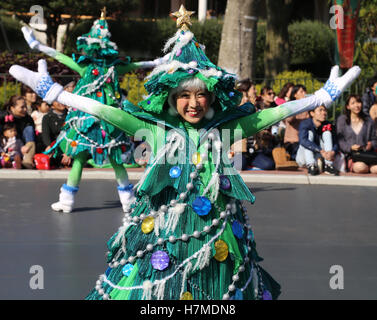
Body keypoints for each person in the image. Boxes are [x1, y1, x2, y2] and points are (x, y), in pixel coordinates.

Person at [10, 4, 360, 300]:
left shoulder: (222, 129)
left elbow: (269, 114)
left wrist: (319, 97)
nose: (193, 104)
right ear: (171, 98)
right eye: (183, 95)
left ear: (210, 96)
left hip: (216, 231)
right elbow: (108, 112)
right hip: (165, 232)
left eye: (200, 95)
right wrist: (56, 93)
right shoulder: (156, 129)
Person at [22, 10, 165, 213]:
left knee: (80, 159)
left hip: (87, 120)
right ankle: (127, 201)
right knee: (115, 161)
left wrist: (37, 45)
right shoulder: (113, 69)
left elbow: (60, 56)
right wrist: (159, 62)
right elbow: (140, 64)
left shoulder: (87, 68)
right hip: (108, 121)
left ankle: (68, 200)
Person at [336, 94, 377, 174]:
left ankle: (369, 168)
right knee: (360, 167)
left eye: (358, 102)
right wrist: (350, 147)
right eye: (353, 103)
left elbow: (374, 139)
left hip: (368, 155)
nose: (356, 105)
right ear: (348, 106)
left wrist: (371, 144)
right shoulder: (342, 120)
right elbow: (340, 140)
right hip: (352, 156)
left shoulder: (368, 121)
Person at [296, 105, 339, 175]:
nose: (324, 113)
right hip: (304, 157)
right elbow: (303, 141)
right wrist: (320, 150)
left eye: (325, 110)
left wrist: (332, 152)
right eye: (320, 110)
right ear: (312, 113)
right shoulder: (305, 123)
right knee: (309, 134)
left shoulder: (328, 124)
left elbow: (336, 143)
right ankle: (311, 165)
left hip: (322, 155)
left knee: (327, 133)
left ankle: (328, 165)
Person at [0, 95, 36, 169]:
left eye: (25, 106)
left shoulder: (28, 119)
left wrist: (26, 146)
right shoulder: (3, 116)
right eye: (22, 107)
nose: (25, 109)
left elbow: (30, 135)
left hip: (21, 146)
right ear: (12, 108)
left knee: (29, 129)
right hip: (4, 145)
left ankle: (27, 161)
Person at [283, 84, 309, 160]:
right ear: (295, 95)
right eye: (301, 91)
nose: (304, 93)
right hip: (292, 142)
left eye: (305, 91)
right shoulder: (290, 106)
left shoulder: (307, 107)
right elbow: (289, 120)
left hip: (304, 141)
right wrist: (297, 106)